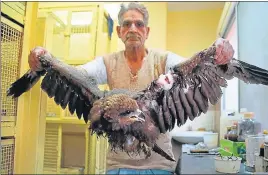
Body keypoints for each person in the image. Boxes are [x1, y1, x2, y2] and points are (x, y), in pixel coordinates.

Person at [28, 2, 234, 175]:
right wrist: (45, 60)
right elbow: (80, 73)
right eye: (127, 24)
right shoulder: (107, 63)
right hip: (118, 166)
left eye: (139, 24)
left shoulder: (164, 61)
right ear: (119, 31)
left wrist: (217, 55)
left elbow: (192, 66)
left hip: (159, 166)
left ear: (147, 31)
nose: (133, 29)